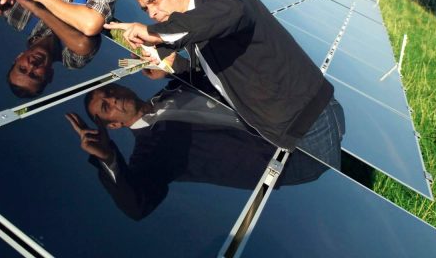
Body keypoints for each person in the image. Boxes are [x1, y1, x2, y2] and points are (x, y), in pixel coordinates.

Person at [104, 0, 344, 168]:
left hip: (310, 121)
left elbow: (215, 20)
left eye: (154, 1)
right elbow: (214, 77)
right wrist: (175, 65)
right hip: (279, 129)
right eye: (146, 9)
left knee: (334, 201)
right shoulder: (194, 37)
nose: (153, 13)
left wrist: (153, 33)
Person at [65, 83, 333, 220]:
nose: (112, 99)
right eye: (105, 107)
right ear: (114, 125)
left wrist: (175, 63)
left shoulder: (171, 89)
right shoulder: (151, 152)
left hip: (281, 121)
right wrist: (108, 158)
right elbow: (137, 205)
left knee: (329, 105)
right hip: (283, 159)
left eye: (110, 91)